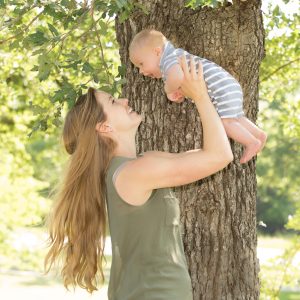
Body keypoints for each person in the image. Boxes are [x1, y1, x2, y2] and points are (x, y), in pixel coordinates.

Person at [44, 56, 233, 300]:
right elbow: (219, 155)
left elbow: (210, 153)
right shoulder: (136, 173)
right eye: (113, 102)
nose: (124, 100)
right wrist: (200, 95)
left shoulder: (134, 167)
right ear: (104, 127)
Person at [129, 29, 267, 164]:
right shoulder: (174, 56)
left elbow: (176, 77)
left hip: (220, 88)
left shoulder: (168, 60)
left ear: (157, 52)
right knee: (235, 118)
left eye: (141, 64)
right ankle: (258, 134)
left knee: (226, 123)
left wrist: (168, 90)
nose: (141, 71)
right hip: (227, 85)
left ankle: (251, 142)